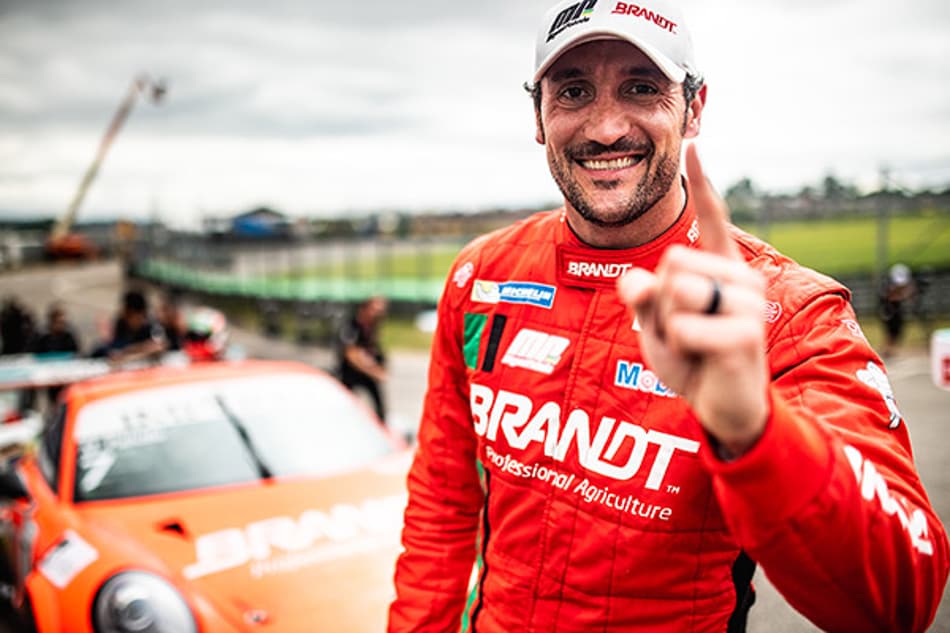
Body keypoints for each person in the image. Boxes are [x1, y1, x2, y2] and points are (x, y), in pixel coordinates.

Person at [388, 1, 949, 632]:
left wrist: (757, 431)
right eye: (572, 91)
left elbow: (903, 599)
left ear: (695, 108)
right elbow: (441, 501)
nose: (604, 128)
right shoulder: (481, 274)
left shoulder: (784, 313)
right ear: (538, 118)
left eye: (641, 88)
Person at [336, 295, 388, 422]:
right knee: (344, 404)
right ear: (365, 308)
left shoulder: (372, 327)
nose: (379, 313)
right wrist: (374, 370)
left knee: (379, 407)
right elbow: (352, 354)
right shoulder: (352, 326)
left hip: (367, 373)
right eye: (376, 309)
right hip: (351, 373)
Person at [91, 289, 166, 362]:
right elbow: (114, 346)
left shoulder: (152, 326)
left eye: (129, 314)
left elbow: (159, 347)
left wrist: (128, 353)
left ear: (140, 314)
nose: (125, 317)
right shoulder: (122, 323)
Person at [879, 262, 917, 359]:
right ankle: (886, 351)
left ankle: (889, 351)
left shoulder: (900, 286)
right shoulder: (888, 288)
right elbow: (890, 298)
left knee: (896, 333)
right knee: (891, 332)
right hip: (889, 312)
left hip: (895, 312)